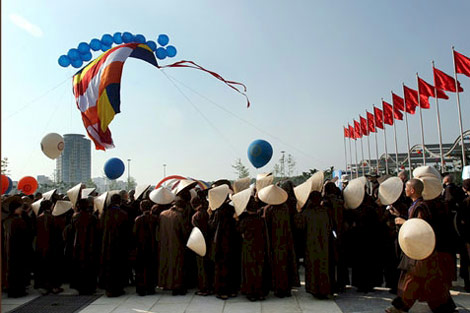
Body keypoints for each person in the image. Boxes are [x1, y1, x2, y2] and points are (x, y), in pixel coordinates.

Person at [386, 178, 456, 313]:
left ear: (412, 190)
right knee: (432, 281)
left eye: (406, 187)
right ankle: (445, 308)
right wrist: (400, 215)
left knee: (412, 280)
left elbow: (419, 228)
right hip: (423, 252)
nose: (404, 190)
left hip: (420, 251)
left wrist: (403, 222)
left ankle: (400, 307)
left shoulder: (421, 207)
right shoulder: (416, 205)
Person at [261, 185, 299, 298]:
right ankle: (286, 289)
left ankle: (278, 288)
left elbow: (266, 226)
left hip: (274, 241)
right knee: (286, 264)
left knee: (276, 265)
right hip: (286, 240)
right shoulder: (285, 208)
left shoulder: (269, 209)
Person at [301, 191, 332, 298]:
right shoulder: (325, 211)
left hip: (311, 244)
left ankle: (314, 289)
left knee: (313, 267)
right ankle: (324, 289)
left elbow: (300, 226)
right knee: (323, 267)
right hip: (324, 244)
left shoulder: (307, 213)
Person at [158, 197, 191, 295]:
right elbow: (184, 232)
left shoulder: (162, 214)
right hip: (176, 244)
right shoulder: (179, 216)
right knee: (176, 266)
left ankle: (164, 284)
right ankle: (176, 287)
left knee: (165, 264)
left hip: (164, 244)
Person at [100, 194, 130, 297]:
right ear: (120, 201)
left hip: (106, 244)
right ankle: (118, 288)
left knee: (108, 267)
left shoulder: (105, 214)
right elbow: (127, 231)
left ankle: (109, 289)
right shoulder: (123, 214)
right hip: (119, 244)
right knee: (118, 267)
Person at [238, 196, 267, 301]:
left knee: (249, 270)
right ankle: (260, 292)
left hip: (248, 248)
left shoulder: (244, 221)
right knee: (259, 269)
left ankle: (251, 293)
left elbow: (240, 231)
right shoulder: (261, 220)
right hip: (259, 247)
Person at [69, 198, 100, 295]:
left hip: (77, 246)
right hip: (90, 245)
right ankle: (90, 287)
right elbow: (97, 232)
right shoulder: (92, 218)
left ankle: (80, 287)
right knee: (90, 267)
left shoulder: (75, 217)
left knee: (79, 267)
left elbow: (71, 232)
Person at [3, 197, 30, 297]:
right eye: (19, 208)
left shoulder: (6, 220)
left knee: (11, 271)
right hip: (18, 249)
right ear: (16, 209)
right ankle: (19, 291)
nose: (21, 209)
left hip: (8, 249)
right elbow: (25, 236)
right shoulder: (19, 221)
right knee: (18, 271)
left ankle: (11, 290)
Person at [191, 192, 214, 296]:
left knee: (202, 267)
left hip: (200, 242)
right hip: (209, 242)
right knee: (209, 266)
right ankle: (210, 286)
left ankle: (204, 288)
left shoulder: (195, 216)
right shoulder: (208, 212)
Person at [134, 200, 159, 296]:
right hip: (153, 246)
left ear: (141, 208)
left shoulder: (138, 219)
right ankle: (150, 288)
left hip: (141, 247)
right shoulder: (155, 218)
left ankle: (141, 288)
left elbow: (135, 234)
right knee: (151, 268)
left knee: (141, 269)